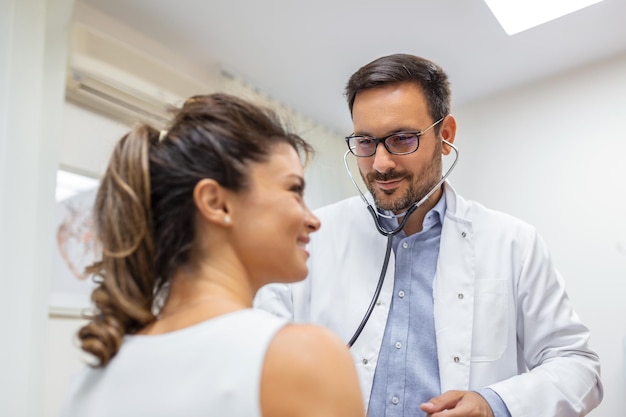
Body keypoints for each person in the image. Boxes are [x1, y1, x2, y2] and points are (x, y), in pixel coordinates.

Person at [254, 54, 603, 417]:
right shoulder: (313, 236)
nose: (381, 164)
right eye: (365, 142)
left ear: (445, 135)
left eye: (402, 139)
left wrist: (494, 405)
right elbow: (258, 352)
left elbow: (577, 364)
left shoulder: (513, 242)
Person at [59, 93, 365, 417]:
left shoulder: (90, 379)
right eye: (294, 191)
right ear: (216, 203)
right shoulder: (304, 358)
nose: (313, 219)